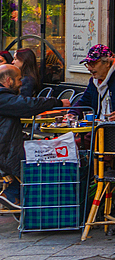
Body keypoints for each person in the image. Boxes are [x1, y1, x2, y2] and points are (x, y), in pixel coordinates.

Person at [0, 65, 68, 208]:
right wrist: (58, 102)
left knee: (40, 149)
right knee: (45, 158)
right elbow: (27, 105)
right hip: (5, 152)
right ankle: (14, 194)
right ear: (8, 80)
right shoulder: (3, 97)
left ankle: (19, 197)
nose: (21, 83)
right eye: (18, 79)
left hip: (6, 147)